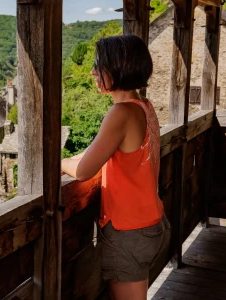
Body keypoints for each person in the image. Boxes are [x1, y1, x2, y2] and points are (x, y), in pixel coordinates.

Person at [61, 35, 171, 300]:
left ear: (118, 67)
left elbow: (85, 170)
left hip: (129, 231)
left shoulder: (120, 113)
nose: (93, 71)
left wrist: (56, 163)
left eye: (99, 64)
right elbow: (96, 153)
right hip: (151, 223)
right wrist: (74, 160)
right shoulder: (143, 106)